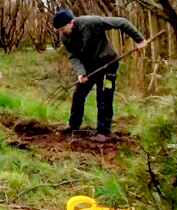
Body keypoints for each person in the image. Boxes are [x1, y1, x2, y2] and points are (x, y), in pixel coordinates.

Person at [53, 9, 147, 142]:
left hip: (108, 63)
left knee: (103, 96)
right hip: (90, 67)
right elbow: (73, 56)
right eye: (59, 30)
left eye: (63, 28)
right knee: (78, 93)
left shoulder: (90, 22)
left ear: (71, 22)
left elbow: (122, 22)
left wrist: (139, 39)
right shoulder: (66, 38)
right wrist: (81, 73)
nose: (62, 32)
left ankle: (103, 131)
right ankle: (73, 125)